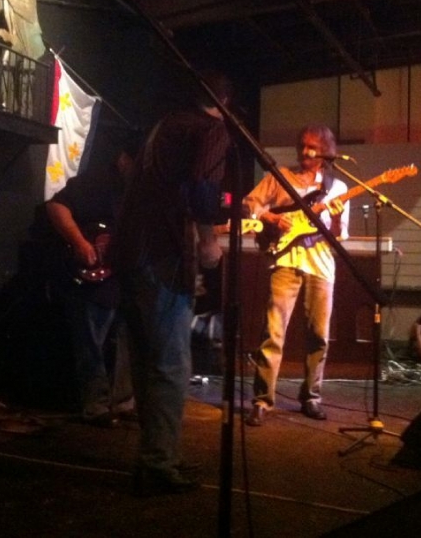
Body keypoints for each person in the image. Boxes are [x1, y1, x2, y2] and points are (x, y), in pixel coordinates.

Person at [113, 71, 232, 496]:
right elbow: (203, 193)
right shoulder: (211, 129)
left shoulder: (161, 127)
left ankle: (153, 455)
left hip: (129, 250)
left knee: (145, 360)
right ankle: (160, 463)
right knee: (171, 363)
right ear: (222, 103)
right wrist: (208, 242)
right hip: (163, 254)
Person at [244, 125, 349, 426]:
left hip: (321, 264)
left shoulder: (338, 188)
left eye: (312, 147)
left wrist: (338, 216)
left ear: (326, 151)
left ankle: (311, 397)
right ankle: (263, 400)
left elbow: (339, 236)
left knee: (319, 335)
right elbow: (249, 203)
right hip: (286, 260)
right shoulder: (280, 177)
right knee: (273, 332)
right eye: (302, 146)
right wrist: (270, 217)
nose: (304, 152)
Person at [44, 135, 138, 428]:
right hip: (93, 277)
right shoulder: (98, 181)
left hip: (123, 274)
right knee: (91, 339)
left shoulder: (139, 191)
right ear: (124, 159)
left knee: (128, 336)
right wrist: (81, 243)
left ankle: (124, 401)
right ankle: (95, 404)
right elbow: (56, 206)